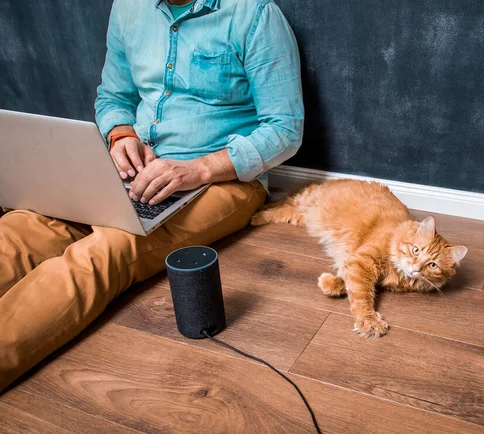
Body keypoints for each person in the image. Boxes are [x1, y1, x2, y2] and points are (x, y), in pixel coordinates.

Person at [0, 0, 304, 392]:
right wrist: (120, 133)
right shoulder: (128, 8)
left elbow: (285, 130)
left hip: (221, 180)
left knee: (109, 248)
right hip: (134, 170)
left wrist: (199, 169)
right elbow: (113, 98)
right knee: (24, 227)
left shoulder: (256, 14)